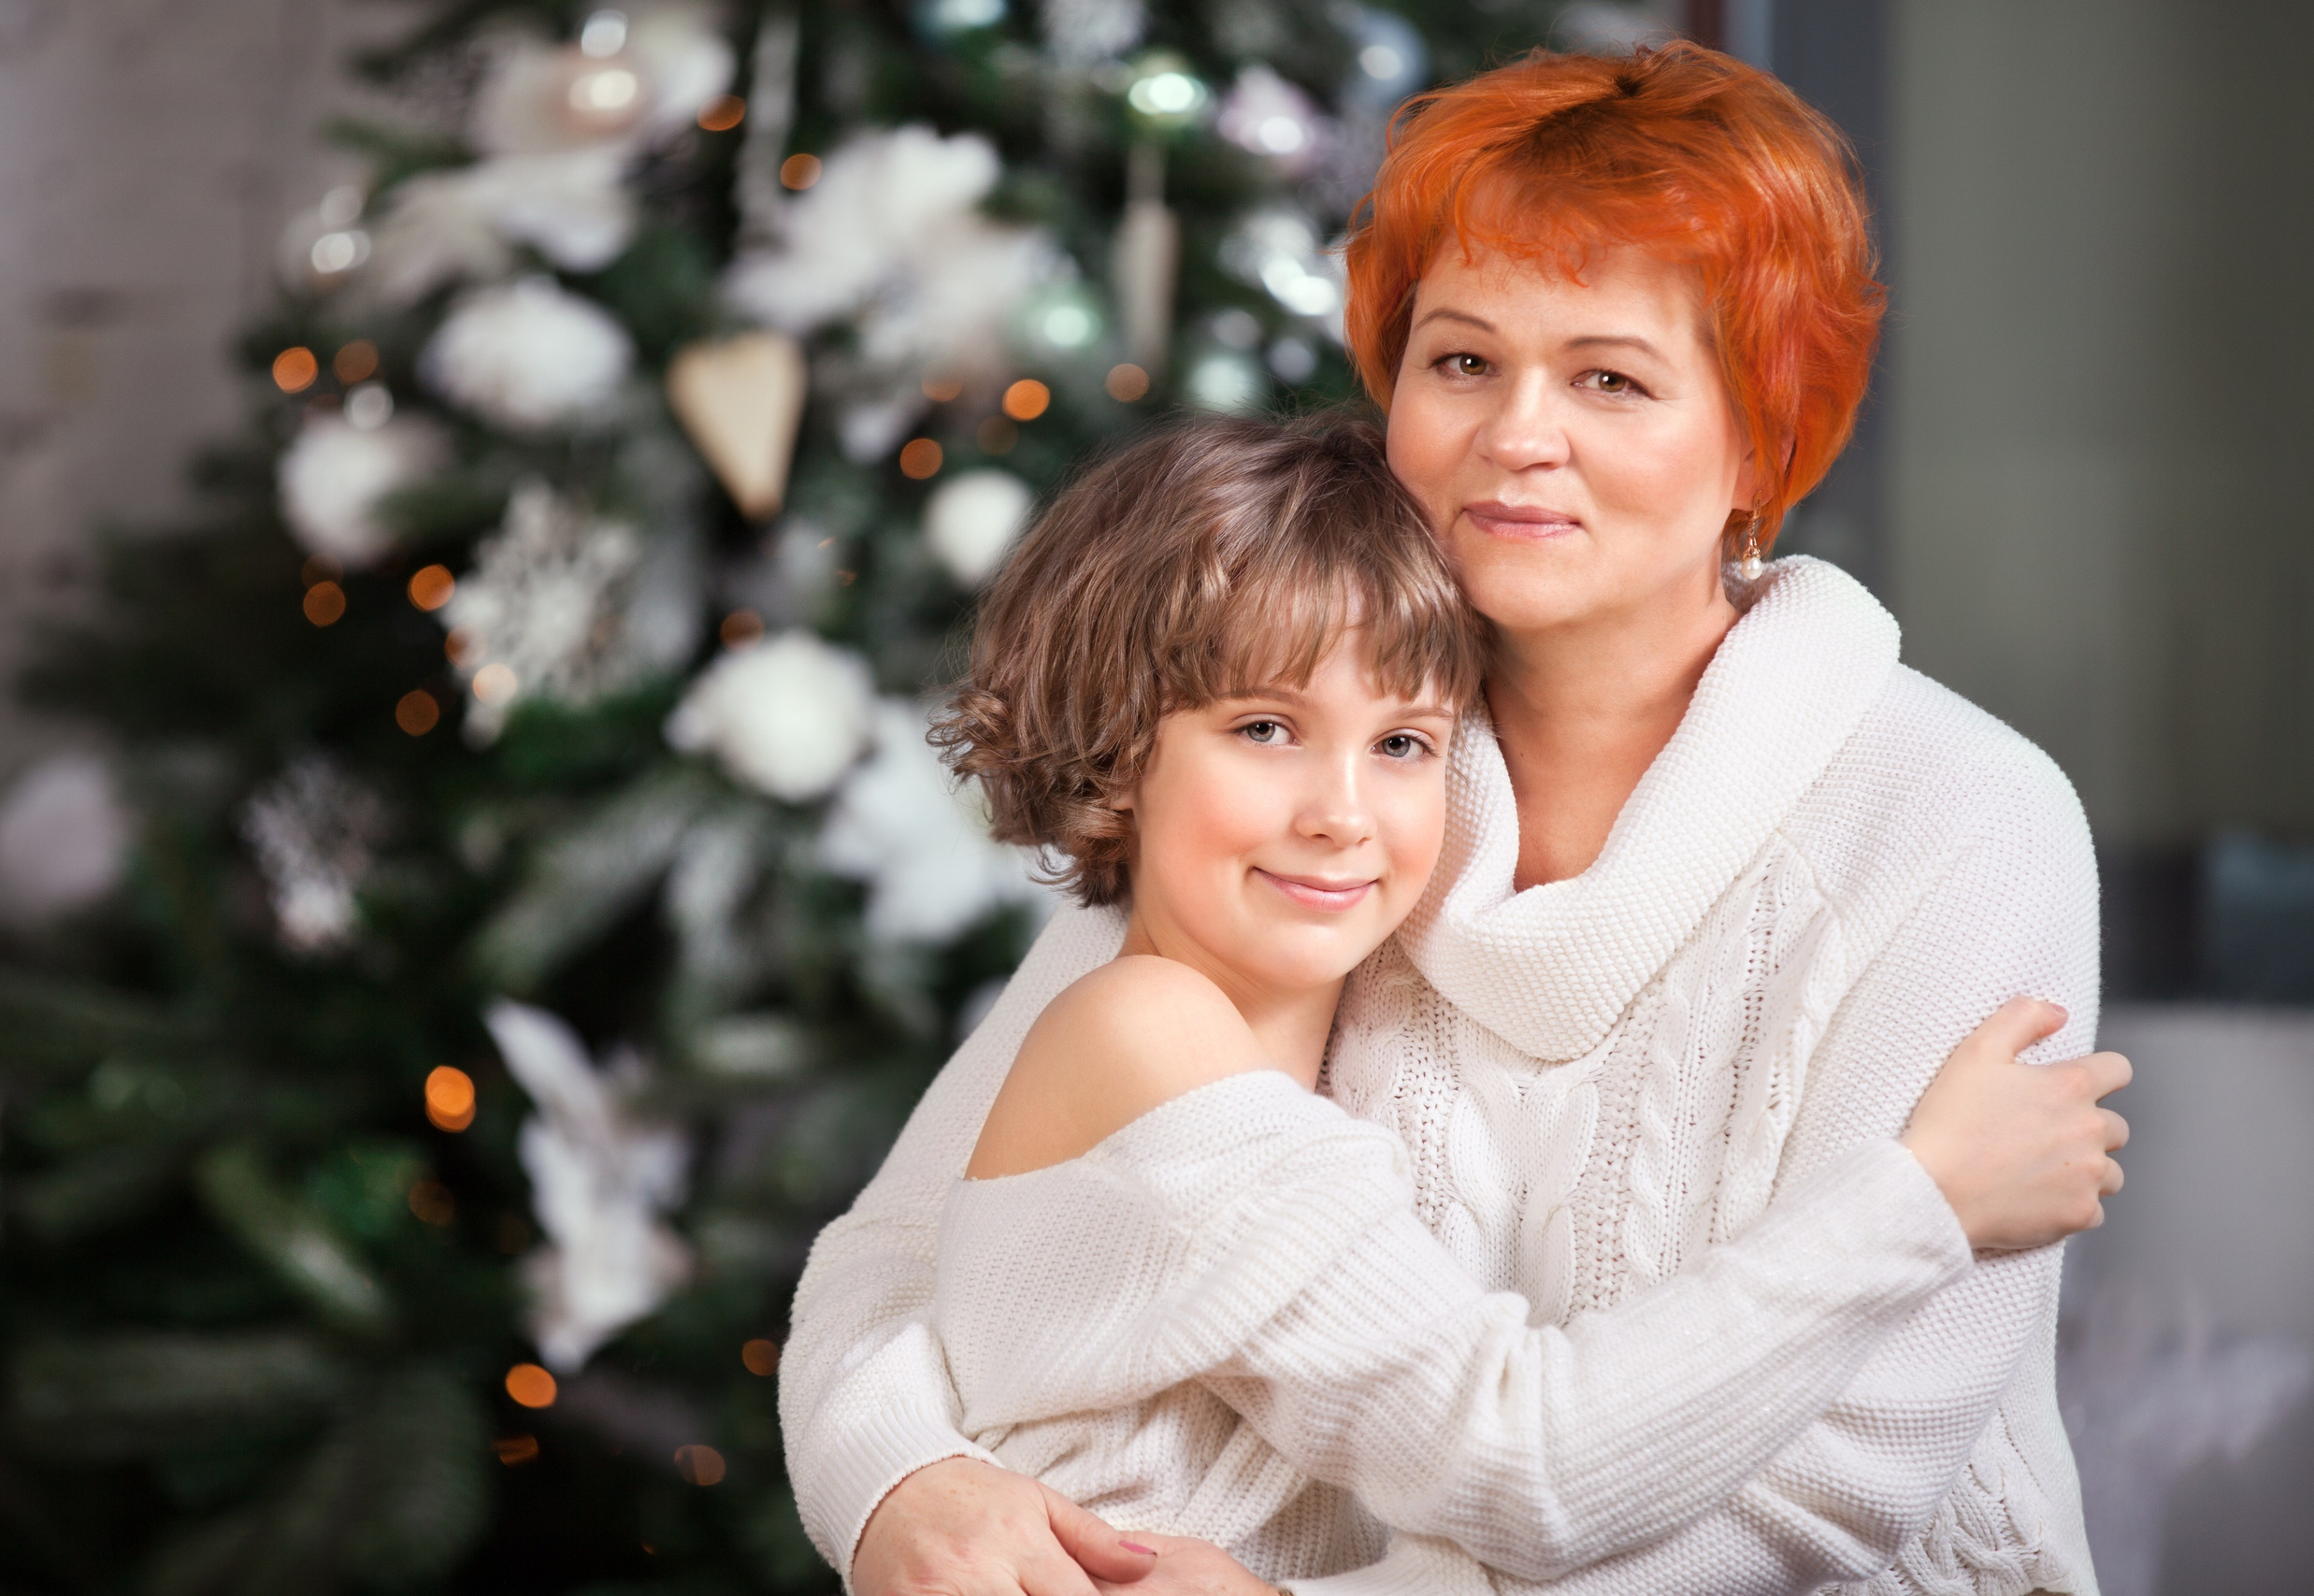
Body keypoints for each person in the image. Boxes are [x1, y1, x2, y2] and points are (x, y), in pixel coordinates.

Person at [785, 40, 2126, 1596]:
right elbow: (904, 1251)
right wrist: (903, 1482)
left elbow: (1829, 1490)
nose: (1517, 437)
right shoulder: (1303, 757)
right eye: (1464, 361)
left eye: (1610, 378)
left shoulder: (1961, 819)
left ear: (1761, 439)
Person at [920, 413, 2122, 1596]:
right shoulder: (1146, 1031)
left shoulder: (1294, 1011)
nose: (1340, 812)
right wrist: (1922, 1203)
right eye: (1266, 729)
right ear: (1117, 749)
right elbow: (1519, 1463)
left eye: (1401, 743)